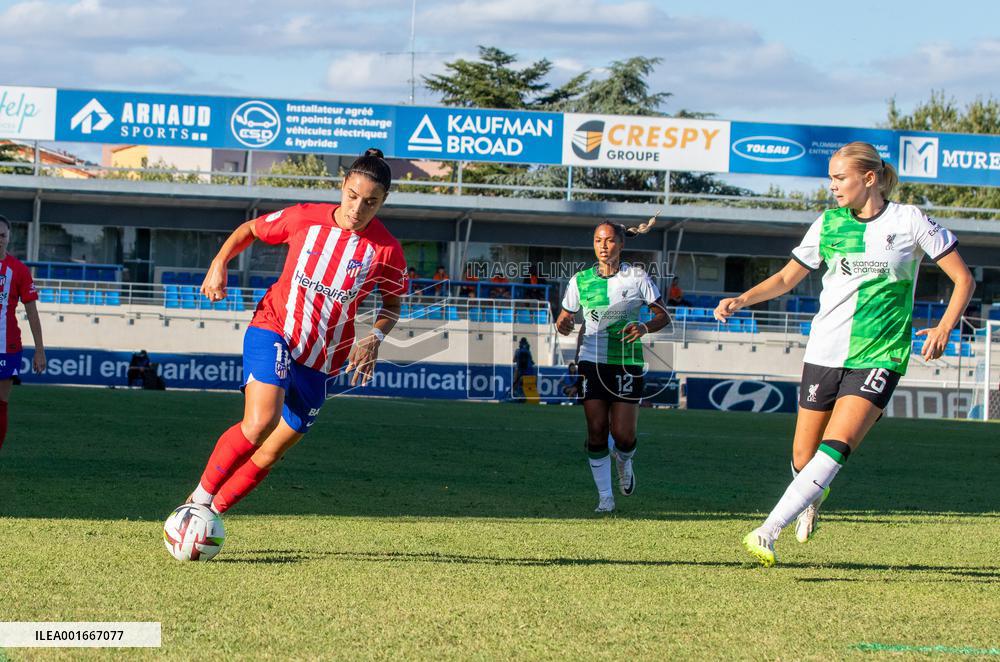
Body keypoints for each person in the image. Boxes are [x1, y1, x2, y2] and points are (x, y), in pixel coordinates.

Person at [717, 142, 975, 566]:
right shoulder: (828, 223)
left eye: (840, 178)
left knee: (835, 446)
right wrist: (742, 299)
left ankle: (767, 530)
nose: (833, 186)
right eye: (831, 179)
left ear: (869, 178)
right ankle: (813, 497)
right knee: (804, 458)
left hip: (880, 353)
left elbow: (963, 279)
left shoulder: (909, 220)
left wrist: (945, 327)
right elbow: (786, 278)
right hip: (824, 350)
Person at [181, 149, 407, 514]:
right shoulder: (304, 218)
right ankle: (198, 501)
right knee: (260, 423)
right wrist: (219, 262)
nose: (357, 209)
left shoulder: (387, 251)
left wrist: (375, 338)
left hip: (322, 361)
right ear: (342, 185)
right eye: (352, 196)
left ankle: (211, 515)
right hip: (274, 329)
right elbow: (251, 229)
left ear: (383, 201)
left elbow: (392, 306)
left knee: (271, 451)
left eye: (370, 202)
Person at [556, 215, 669, 512]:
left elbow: (663, 316)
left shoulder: (637, 278)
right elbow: (565, 317)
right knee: (596, 430)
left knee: (623, 435)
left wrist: (644, 327)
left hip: (626, 362)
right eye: (598, 241)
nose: (603, 246)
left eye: (608, 240)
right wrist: (562, 323)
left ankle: (624, 461)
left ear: (621, 244)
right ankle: (605, 498)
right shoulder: (580, 280)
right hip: (591, 361)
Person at [0, 214, 47, 454]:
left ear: (9, 237)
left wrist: (39, 350)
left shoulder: (18, 270)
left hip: (7, 346)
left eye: (2, 235)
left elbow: (32, 313)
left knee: (1, 404)